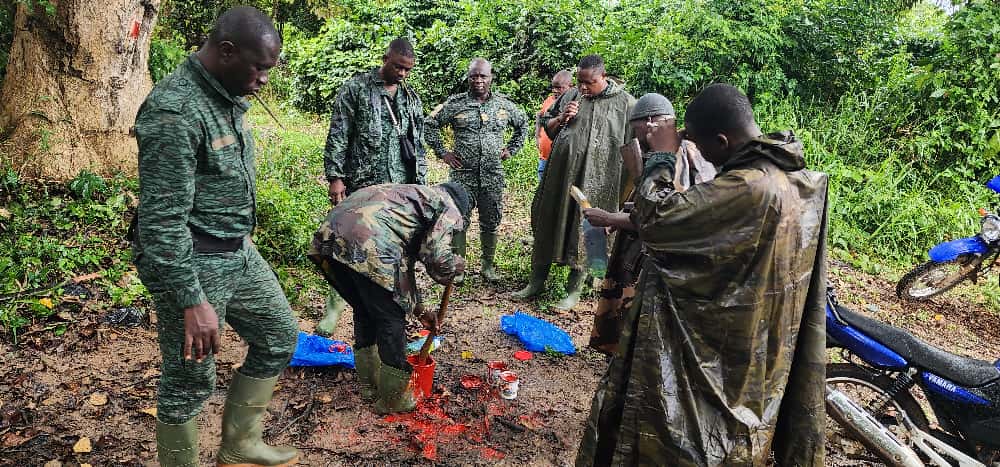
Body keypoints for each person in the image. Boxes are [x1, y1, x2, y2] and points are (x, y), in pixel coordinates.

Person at [575, 83, 828, 466]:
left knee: (696, 444)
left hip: (721, 357)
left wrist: (661, 157)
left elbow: (658, 219)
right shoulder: (794, 181)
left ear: (723, 141)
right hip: (756, 345)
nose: (696, 150)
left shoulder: (749, 187)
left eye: (699, 142)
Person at [132, 7, 299, 467]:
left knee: (279, 336)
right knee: (189, 382)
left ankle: (239, 444)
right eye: (260, 67)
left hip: (237, 250)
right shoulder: (175, 110)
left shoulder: (226, 91)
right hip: (193, 262)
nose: (265, 79)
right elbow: (162, 223)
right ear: (227, 51)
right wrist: (191, 300)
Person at [308, 182, 470, 414]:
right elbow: (436, 258)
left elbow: (401, 268)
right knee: (390, 317)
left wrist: (421, 311)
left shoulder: (412, 195)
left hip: (331, 236)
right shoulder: (447, 206)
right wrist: (456, 264)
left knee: (366, 308)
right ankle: (394, 399)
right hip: (369, 241)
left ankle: (369, 386)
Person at [580, 93, 715, 355]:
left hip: (658, 259)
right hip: (639, 250)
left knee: (644, 323)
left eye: (636, 126)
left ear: (651, 121)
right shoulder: (662, 153)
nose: (634, 133)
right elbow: (648, 202)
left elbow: (666, 218)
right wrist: (620, 218)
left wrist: (609, 218)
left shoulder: (677, 156)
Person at [317, 37, 426, 337]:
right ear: (385, 58)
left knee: (397, 250)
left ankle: (395, 304)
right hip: (363, 186)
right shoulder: (356, 89)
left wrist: (421, 189)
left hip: (399, 189)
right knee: (348, 245)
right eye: (397, 67)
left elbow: (419, 146)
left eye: (407, 70)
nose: (402, 74)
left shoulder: (411, 99)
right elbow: (339, 133)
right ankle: (336, 306)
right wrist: (336, 177)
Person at [513, 54, 635, 310]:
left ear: (603, 76)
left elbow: (632, 147)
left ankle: (574, 290)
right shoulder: (571, 96)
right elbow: (549, 128)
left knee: (585, 232)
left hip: (599, 182)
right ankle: (536, 282)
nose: (582, 88)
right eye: (579, 82)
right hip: (561, 177)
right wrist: (561, 118)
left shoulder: (626, 105)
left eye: (588, 82)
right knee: (550, 221)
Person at [425, 58, 528, 282]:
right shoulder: (455, 104)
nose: (478, 80)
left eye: (483, 76)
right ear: (468, 78)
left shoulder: (504, 105)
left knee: (491, 220)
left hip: (492, 175)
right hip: (463, 176)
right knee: (459, 219)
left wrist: (511, 149)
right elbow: (429, 125)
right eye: (474, 76)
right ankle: (458, 267)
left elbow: (523, 125)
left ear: (491, 77)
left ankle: (488, 266)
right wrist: (443, 153)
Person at [536, 70, 572, 181]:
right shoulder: (549, 100)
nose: (555, 91)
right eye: (553, 87)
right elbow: (540, 116)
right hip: (544, 156)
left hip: (559, 159)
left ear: (570, 86)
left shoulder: (572, 104)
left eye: (559, 88)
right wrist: (537, 136)